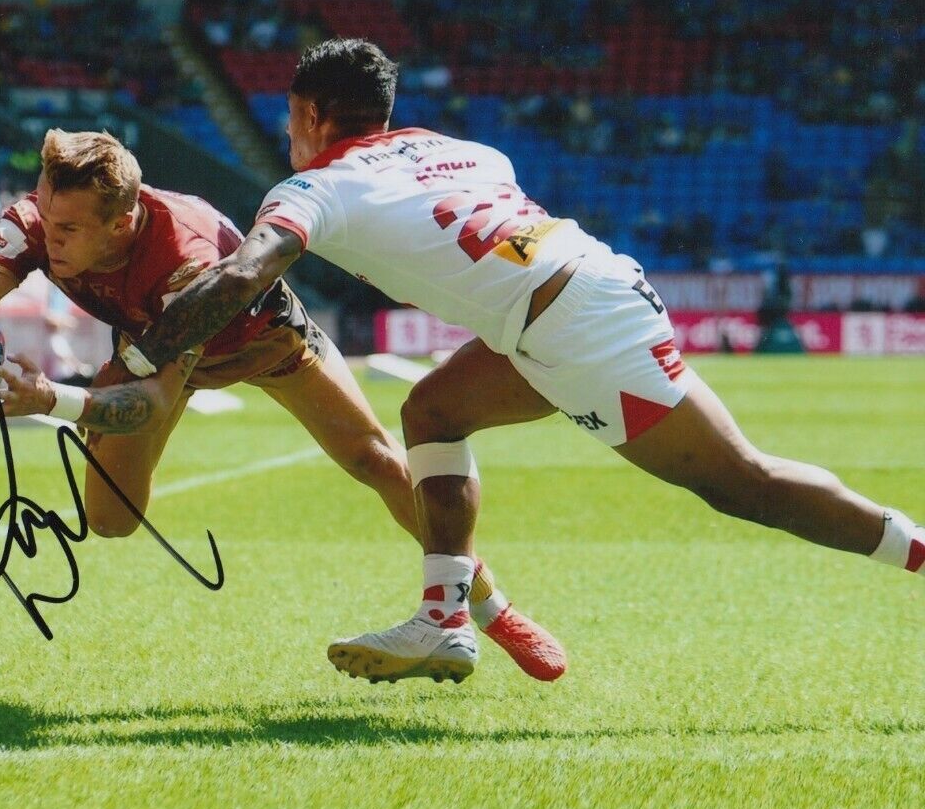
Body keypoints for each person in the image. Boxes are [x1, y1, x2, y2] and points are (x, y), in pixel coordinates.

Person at [90, 38, 924, 685]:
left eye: (288, 118)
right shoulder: (468, 150)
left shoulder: (314, 191)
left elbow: (242, 274)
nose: (285, 133)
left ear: (309, 114)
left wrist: (141, 354)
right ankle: (444, 619)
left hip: (573, 328)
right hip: (571, 297)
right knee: (433, 413)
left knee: (745, 485)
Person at [0, 128, 565, 681]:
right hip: (148, 347)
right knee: (110, 520)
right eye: (46, 214)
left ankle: (489, 609)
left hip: (258, 340)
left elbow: (151, 405)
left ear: (123, 221)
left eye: (69, 228)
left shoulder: (184, 261)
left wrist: (49, 399)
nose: (51, 238)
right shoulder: (44, 216)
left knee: (378, 460)